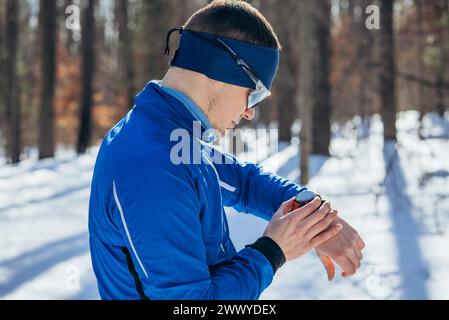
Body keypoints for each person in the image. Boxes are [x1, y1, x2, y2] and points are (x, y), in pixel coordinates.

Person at [88, 0, 365, 300]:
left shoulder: (169, 134)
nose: (249, 112)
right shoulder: (152, 166)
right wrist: (273, 251)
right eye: (253, 93)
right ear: (222, 68)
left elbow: (245, 184)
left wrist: (317, 220)